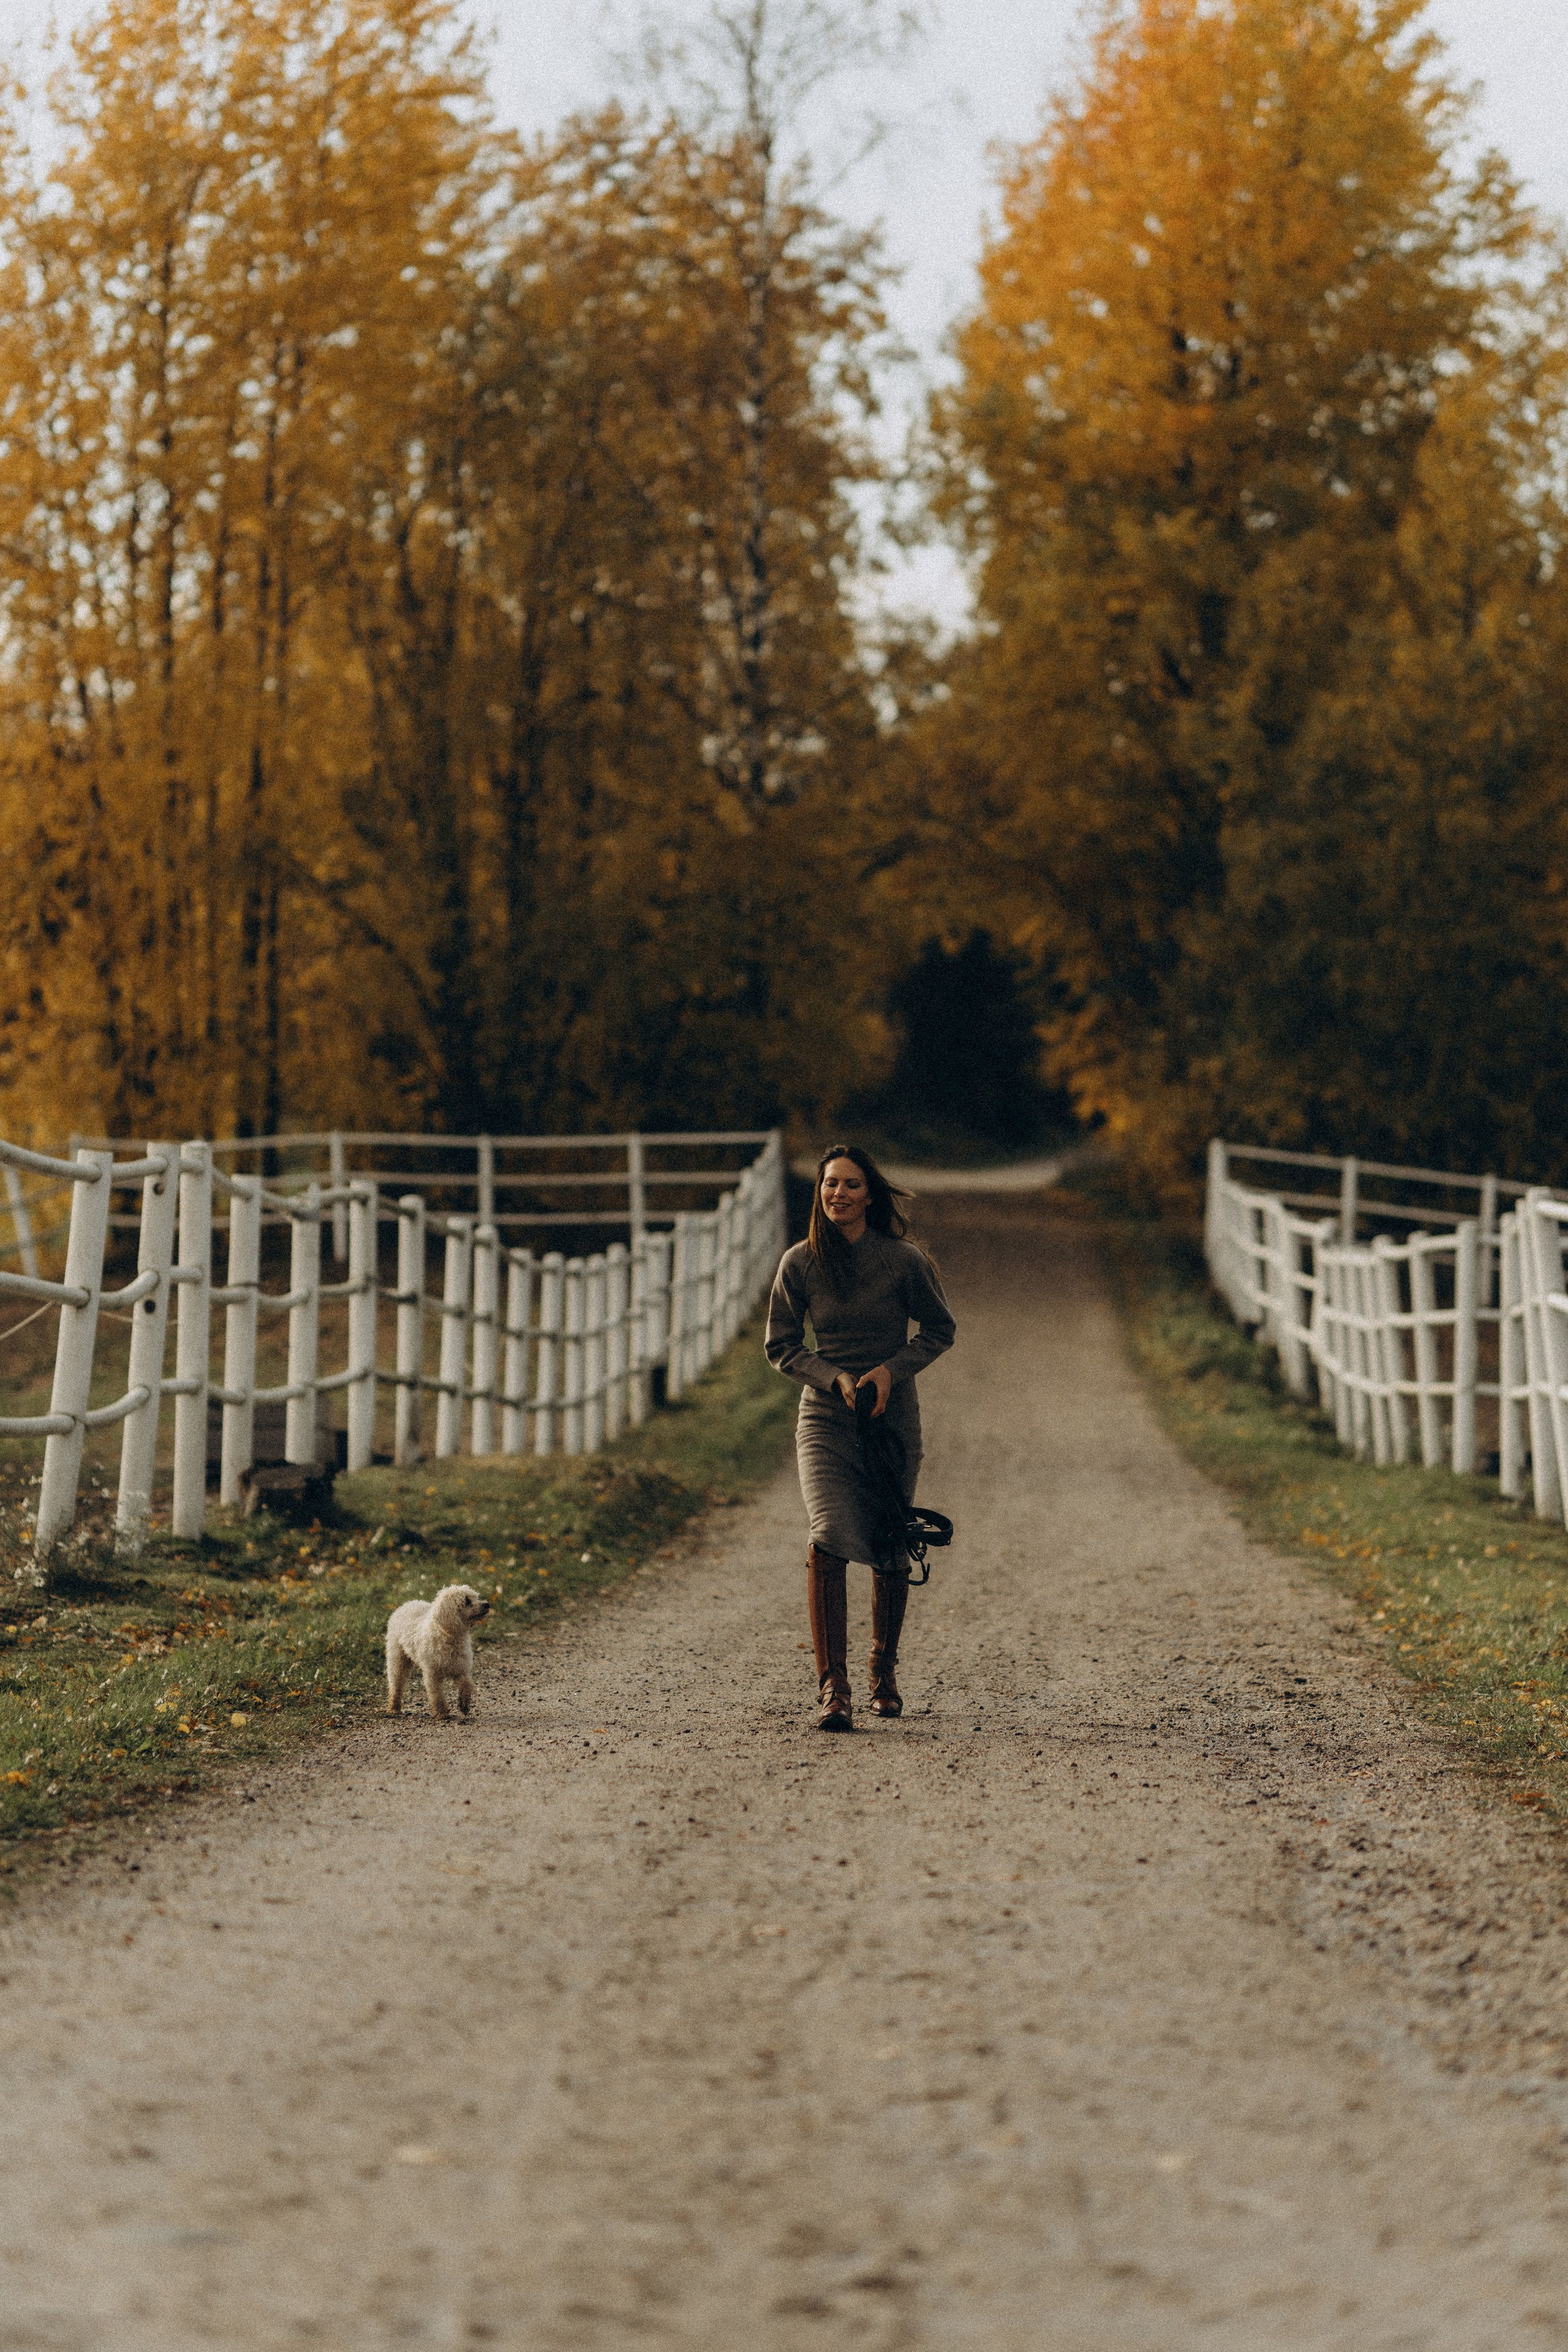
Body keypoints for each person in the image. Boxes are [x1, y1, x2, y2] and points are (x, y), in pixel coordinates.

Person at [765, 1144, 956, 1730]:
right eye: (830, 1184)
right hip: (826, 1418)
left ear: (870, 1194)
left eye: (851, 1185)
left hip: (890, 1419)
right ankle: (834, 1689)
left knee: (888, 1540)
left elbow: (940, 1329)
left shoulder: (903, 1261)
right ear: (819, 1193)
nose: (839, 1194)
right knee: (827, 1534)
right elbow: (781, 1345)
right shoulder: (800, 1262)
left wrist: (890, 1372)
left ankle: (883, 1672)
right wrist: (833, 1377)